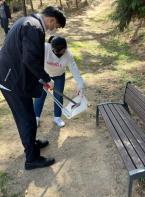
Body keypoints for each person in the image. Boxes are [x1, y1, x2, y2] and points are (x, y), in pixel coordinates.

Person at [0, 6, 66, 170]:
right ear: (51, 19)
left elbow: (25, 56)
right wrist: (45, 78)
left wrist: (40, 79)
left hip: (13, 77)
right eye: (55, 25)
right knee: (26, 119)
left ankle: (32, 143)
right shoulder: (34, 27)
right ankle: (31, 159)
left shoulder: (28, 21)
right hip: (12, 81)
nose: (53, 29)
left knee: (27, 114)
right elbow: (30, 59)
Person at [34, 36, 85, 127]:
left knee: (58, 96)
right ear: (53, 48)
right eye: (60, 51)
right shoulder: (45, 48)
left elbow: (74, 69)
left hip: (59, 76)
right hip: (45, 75)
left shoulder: (68, 55)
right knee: (40, 95)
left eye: (64, 50)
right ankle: (36, 118)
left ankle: (57, 117)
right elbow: (34, 61)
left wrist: (80, 83)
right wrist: (43, 78)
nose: (63, 52)